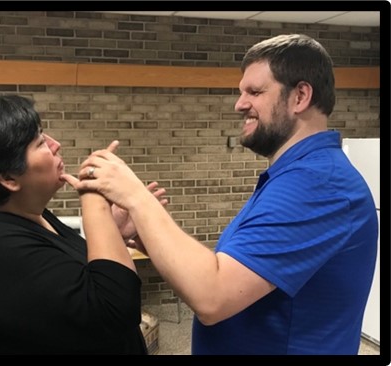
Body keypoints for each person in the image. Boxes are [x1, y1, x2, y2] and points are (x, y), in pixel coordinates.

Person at [62, 34, 379, 355]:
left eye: (254, 92)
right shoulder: (293, 176)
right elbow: (230, 272)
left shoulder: (317, 185)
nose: (239, 104)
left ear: (300, 96)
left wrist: (136, 197)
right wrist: (144, 233)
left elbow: (211, 295)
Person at [0, 94, 166, 355]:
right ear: (8, 177)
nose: (56, 144)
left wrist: (113, 235)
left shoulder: (26, 212)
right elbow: (116, 310)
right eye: (40, 142)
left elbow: (70, 278)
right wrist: (94, 196)